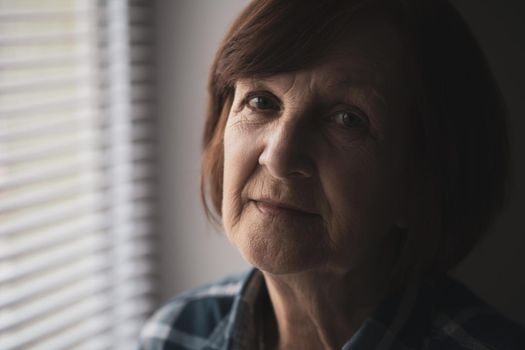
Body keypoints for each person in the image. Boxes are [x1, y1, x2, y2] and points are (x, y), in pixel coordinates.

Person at [138, 0, 525, 349]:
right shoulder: (174, 335)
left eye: (347, 119)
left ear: (421, 183)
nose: (279, 156)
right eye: (261, 101)